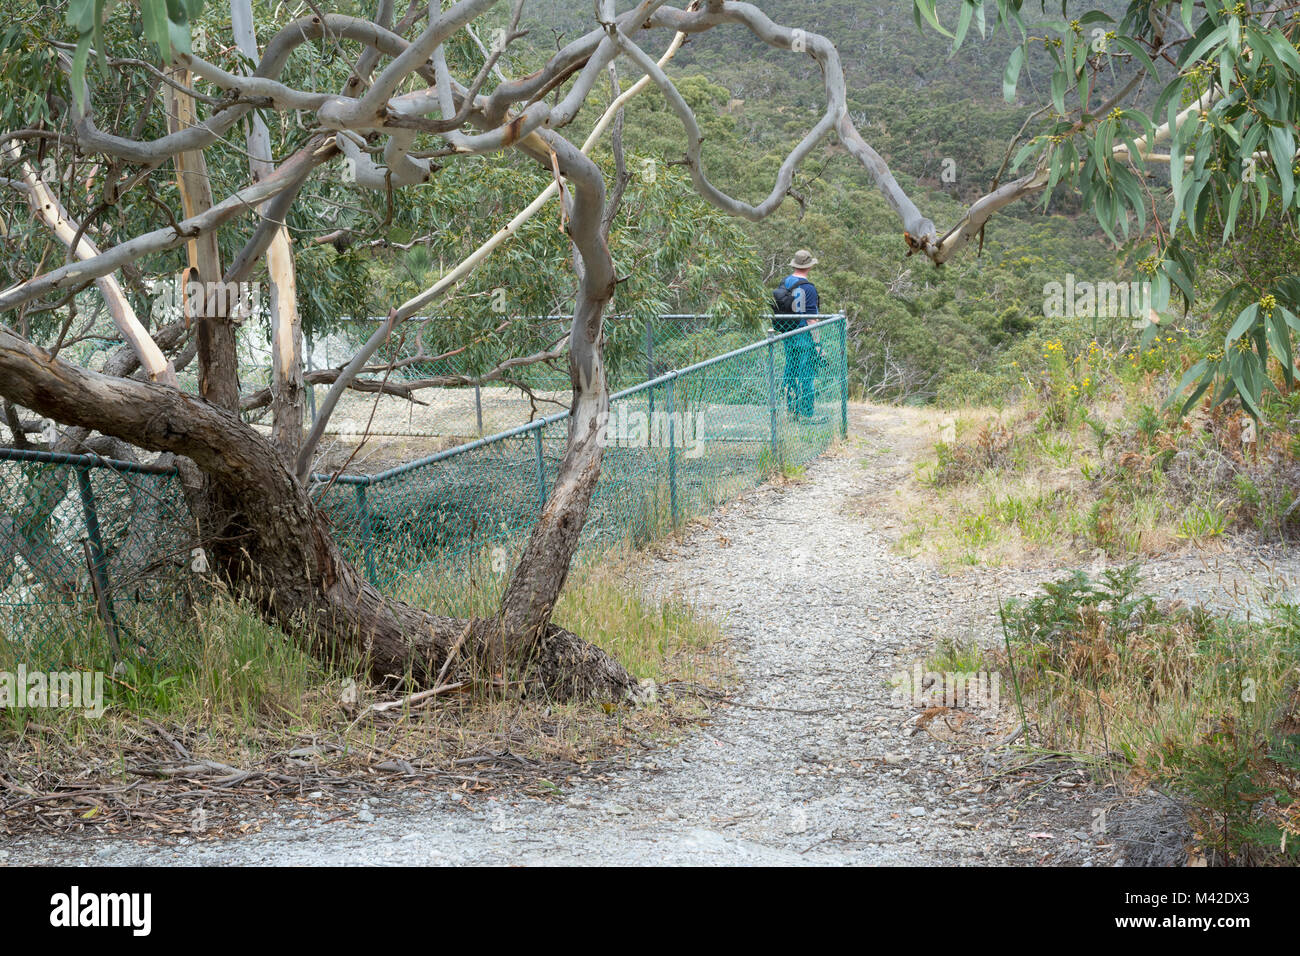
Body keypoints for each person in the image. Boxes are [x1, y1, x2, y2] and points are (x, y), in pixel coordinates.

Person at [773, 249, 826, 422]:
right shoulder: (809, 288)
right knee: (806, 374)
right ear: (809, 267)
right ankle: (807, 413)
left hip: (788, 334)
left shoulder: (785, 282)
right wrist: (818, 345)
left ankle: (792, 411)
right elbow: (812, 319)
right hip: (804, 336)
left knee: (790, 371)